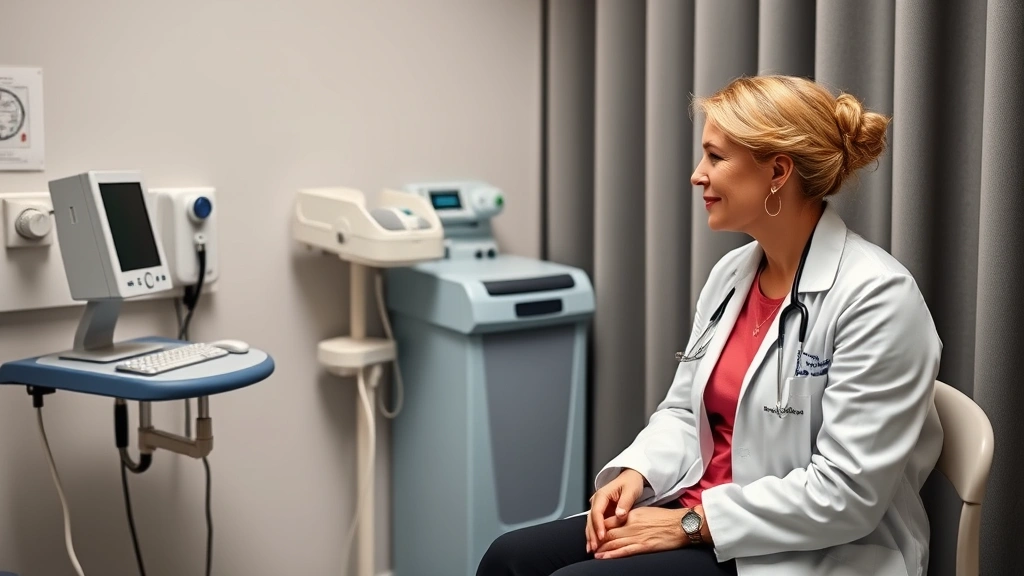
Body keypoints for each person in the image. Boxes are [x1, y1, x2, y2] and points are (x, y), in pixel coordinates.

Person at [476, 74, 943, 576]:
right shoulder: (733, 276)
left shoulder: (877, 297)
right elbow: (685, 410)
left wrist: (690, 526)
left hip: (800, 548)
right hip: (698, 515)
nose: (698, 175)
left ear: (778, 172)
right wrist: (637, 471)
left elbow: (846, 495)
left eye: (716, 158)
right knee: (508, 560)